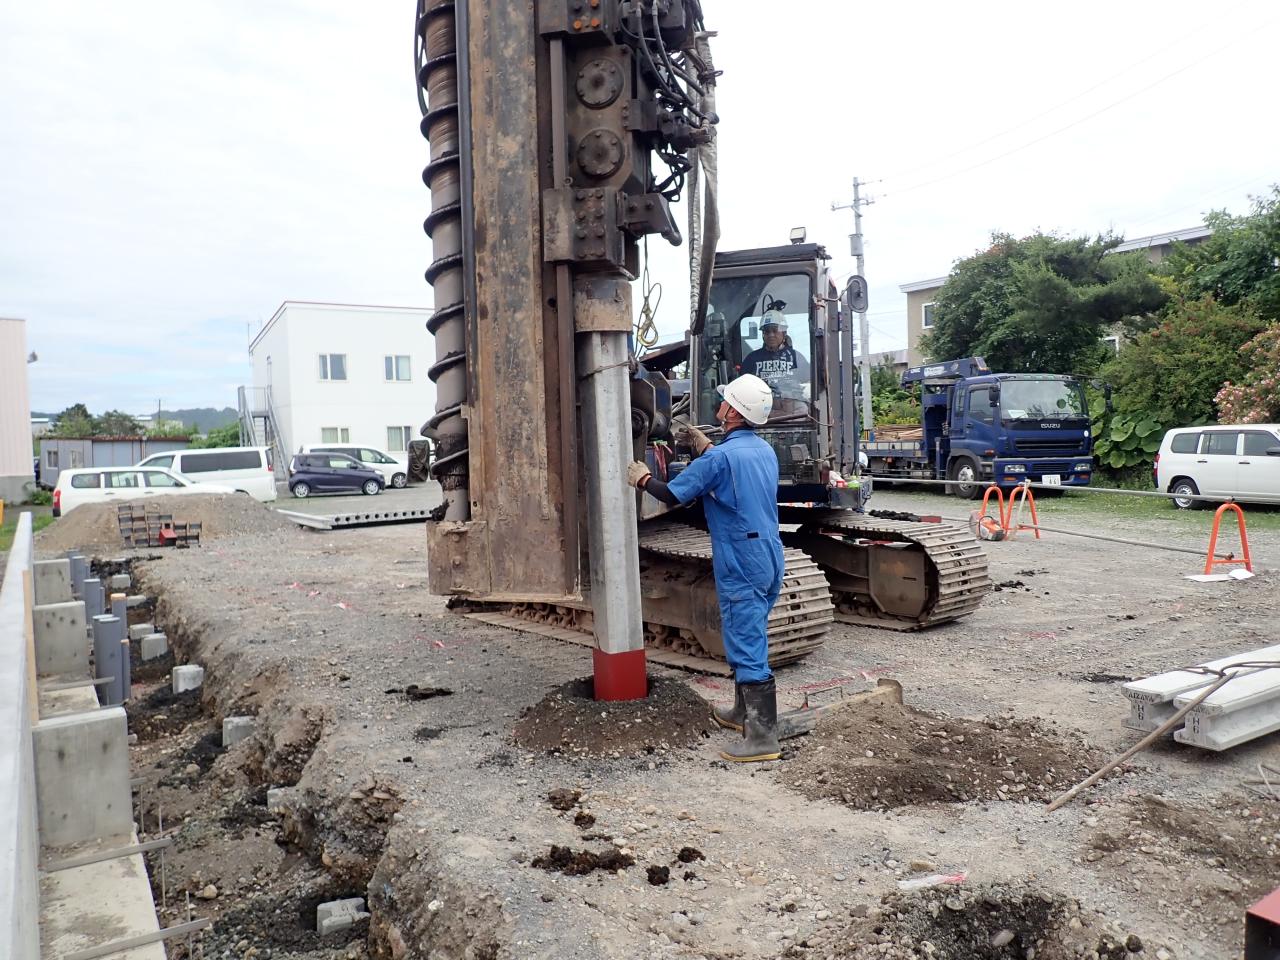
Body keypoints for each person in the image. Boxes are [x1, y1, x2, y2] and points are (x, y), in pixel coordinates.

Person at [626, 373, 784, 763]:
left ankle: (762, 739)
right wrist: (706, 445)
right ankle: (743, 713)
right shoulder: (763, 451)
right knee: (751, 632)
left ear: (732, 411)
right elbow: (732, 471)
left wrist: (642, 478)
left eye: (725, 401)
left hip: (741, 559)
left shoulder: (720, 459)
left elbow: (674, 494)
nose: (720, 405)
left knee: (746, 641)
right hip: (768, 553)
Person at [739, 309, 809, 402]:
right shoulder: (751, 359)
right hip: (759, 408)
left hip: (793, 411)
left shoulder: (797, 358)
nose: (771, 335)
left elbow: (808, 386)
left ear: (784, 333)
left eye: (775, 330)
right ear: (763, 334)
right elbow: (742, 389)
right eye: (767, 331)